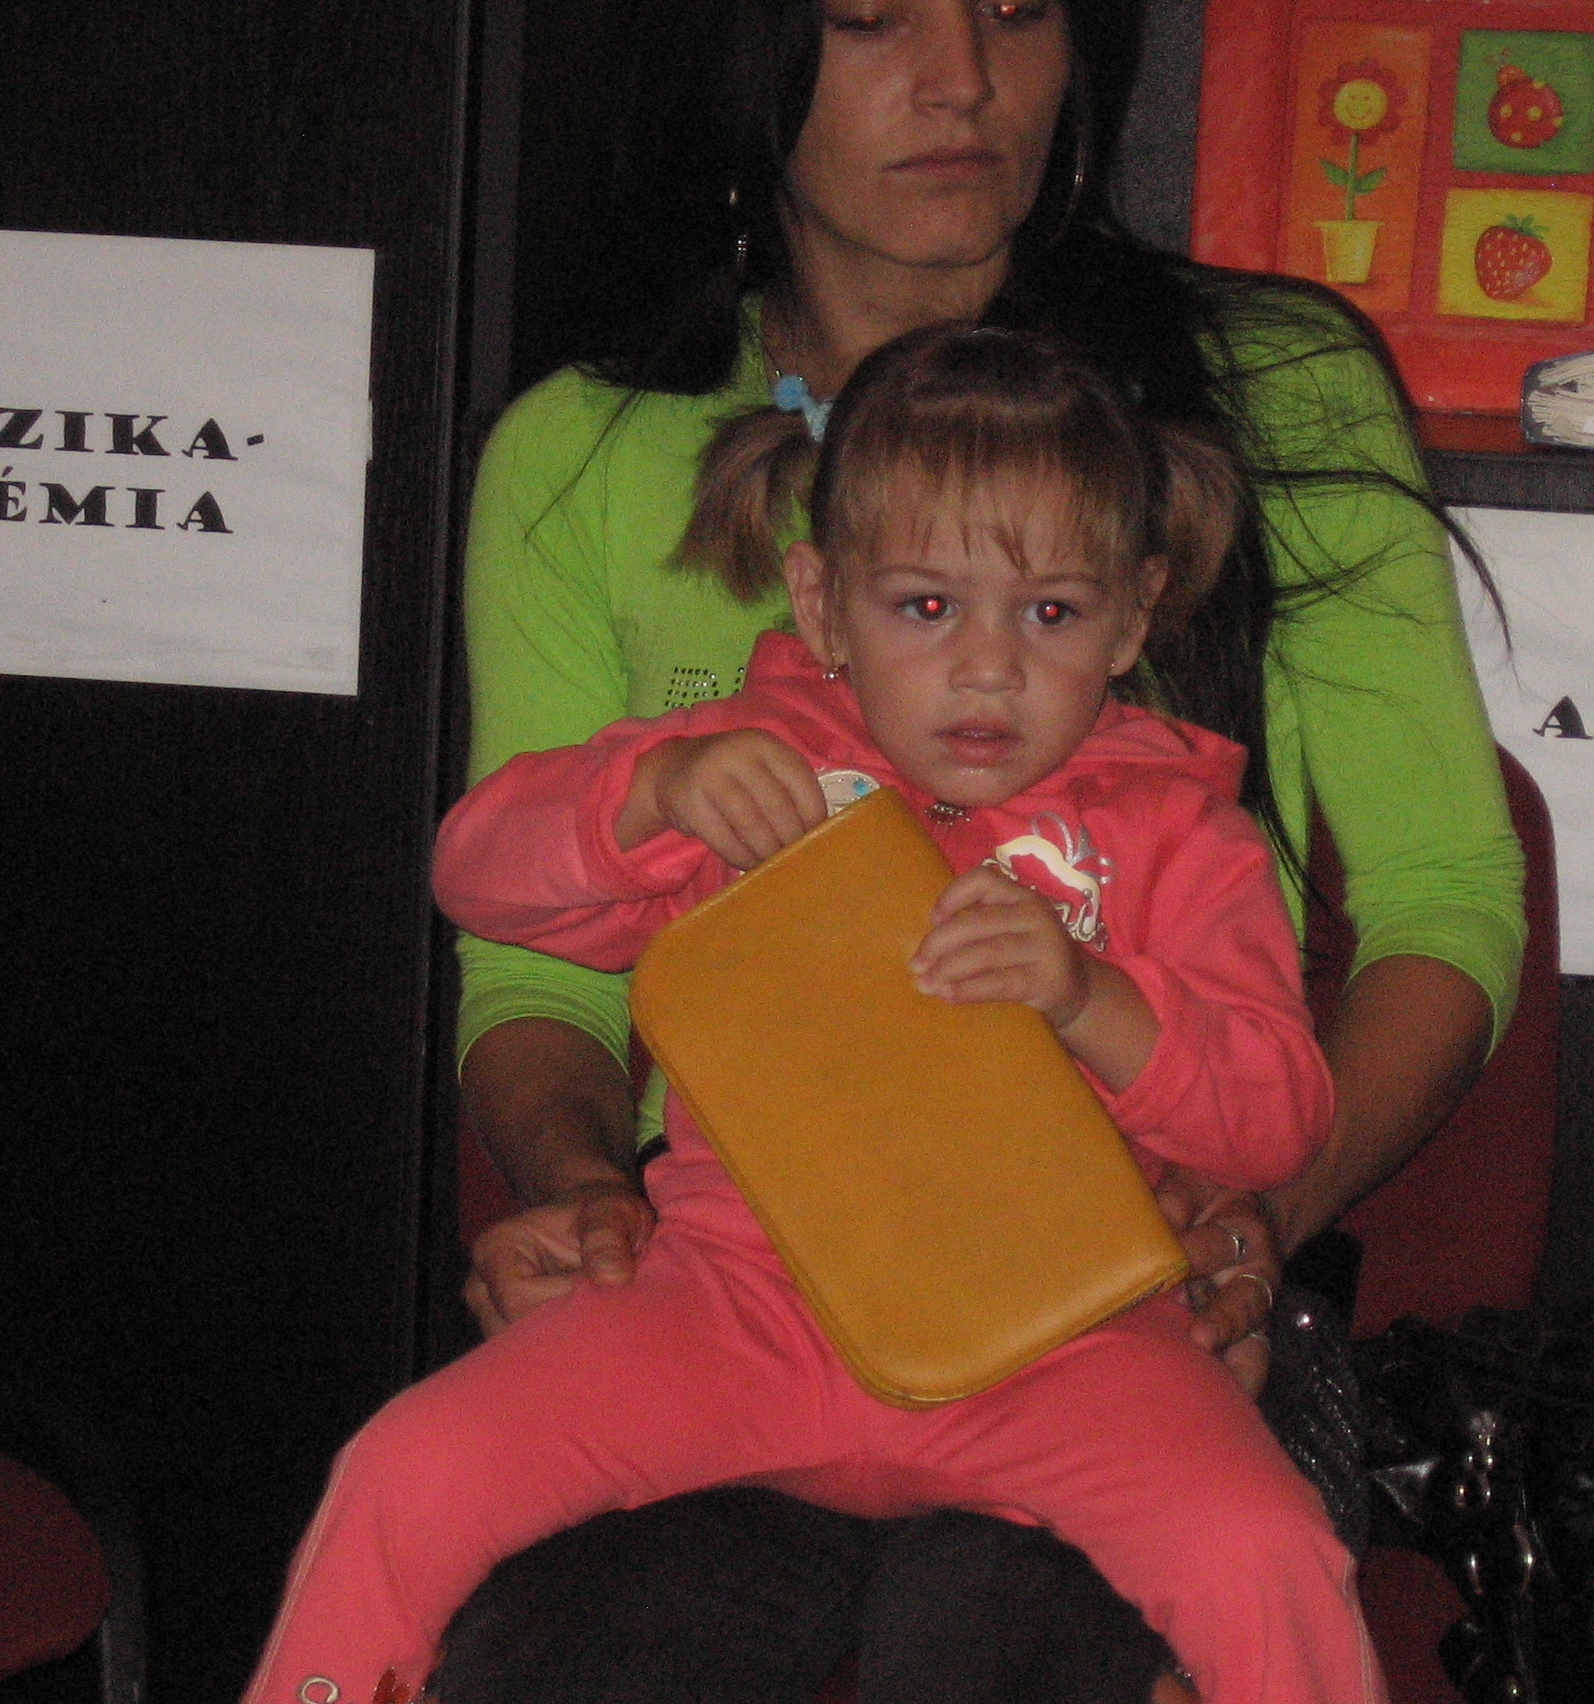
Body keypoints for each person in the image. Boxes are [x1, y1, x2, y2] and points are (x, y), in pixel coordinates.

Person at [444, 1, 1523, 1697]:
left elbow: (1446, 908)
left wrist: (1253, 1214)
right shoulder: (586, 457)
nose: (961, 79)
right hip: (745, 1288)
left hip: (1141, 1301)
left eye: (1017, 9)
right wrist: (587, 1204)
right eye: (874, 17)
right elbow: (534, 974)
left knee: (1002, 1649)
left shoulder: (1275, 387)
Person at [249, 324, 1377, 1704]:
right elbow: (476, 875)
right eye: (925, 606)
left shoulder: (1181, 836)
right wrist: (647, 796)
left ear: (1135, 619)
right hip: (737, 1310)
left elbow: (1275, 1118)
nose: (986, 669)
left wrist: (1089, 999)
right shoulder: (754, 768)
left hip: (1064, 1341)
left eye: (1051, 615)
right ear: (822, 603)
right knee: (408, 1467)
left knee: (1267, 1549)